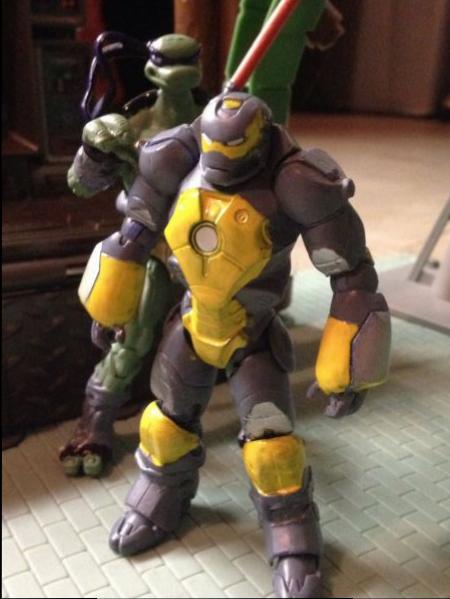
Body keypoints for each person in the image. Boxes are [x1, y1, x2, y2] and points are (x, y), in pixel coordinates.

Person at [78, 91, 391, 598]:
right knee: (166, 421)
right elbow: (133, 236)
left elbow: (353, 278)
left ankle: (291, 531)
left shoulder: (295, 181)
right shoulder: (174, 158)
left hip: (252, 333)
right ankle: (164, 488)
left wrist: (349, 367)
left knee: (271, 443)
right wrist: (108, 304)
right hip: (191, 322)